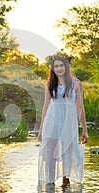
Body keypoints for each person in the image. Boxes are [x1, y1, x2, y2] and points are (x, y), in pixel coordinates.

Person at [37, 55, 88, 186]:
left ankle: (66, 184)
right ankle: (50, 185)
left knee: (68, 154)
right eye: (56, 66)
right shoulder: (49, 84)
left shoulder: (75, 83)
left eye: (61, 66)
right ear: (53, 69)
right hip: (52, 122)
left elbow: (80, 106)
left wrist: (84, 129)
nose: (59, 69)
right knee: (50, 156)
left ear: (66, 67)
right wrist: (41, 129)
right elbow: (46, 106)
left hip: (68, 122)